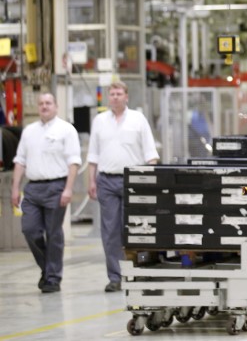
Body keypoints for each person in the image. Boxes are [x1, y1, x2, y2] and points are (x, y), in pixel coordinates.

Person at [87, 81, 159, 292]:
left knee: (137, 228)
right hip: (107, 181)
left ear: (127, 97)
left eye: (119, 93)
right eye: (112, 94)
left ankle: (139, 270)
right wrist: (92, 180)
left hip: (133, 179)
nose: (115, 97)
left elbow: (150, 154)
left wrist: (149, 181)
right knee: (110, 231)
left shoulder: (138, 120)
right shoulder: (99, 121)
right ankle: (115, 277)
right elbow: (93, 155)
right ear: (108, 98)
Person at [10, 93, 82, 293]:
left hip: (57, 186)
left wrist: (68, 189)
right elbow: (20, 160)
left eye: (48, 103)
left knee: (53, 233)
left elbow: (74, 162)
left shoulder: (66, 130)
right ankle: (47, 269)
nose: (44, 106)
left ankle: (52, 278)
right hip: (32, 188)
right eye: (41, 103)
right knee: (29, 230)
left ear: (56, 107)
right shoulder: (29, 131)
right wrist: (15, 188)